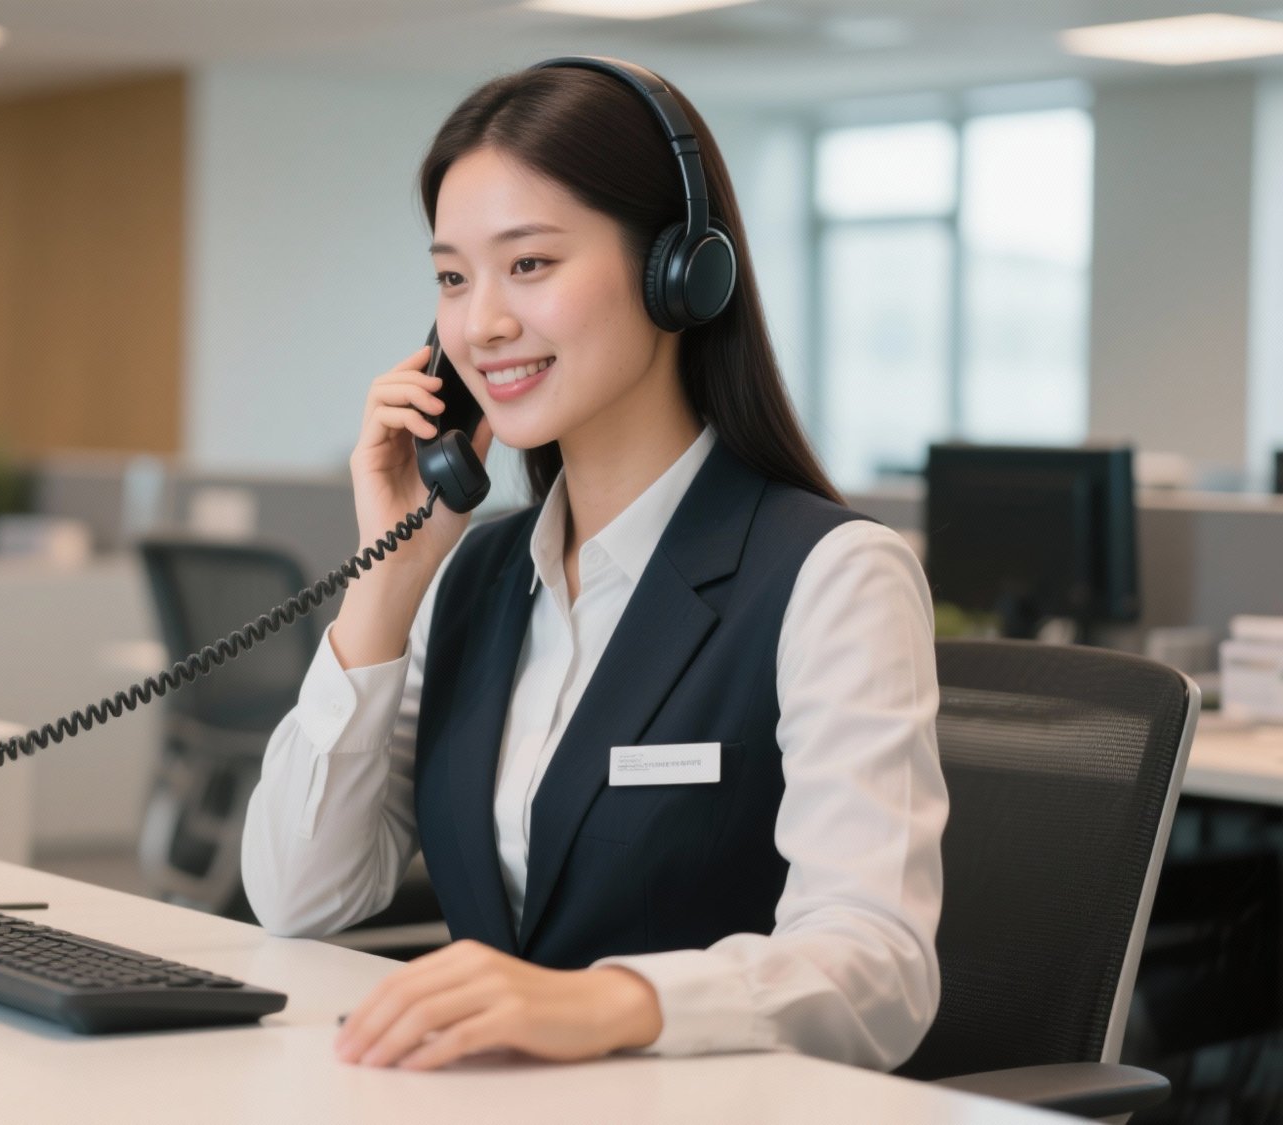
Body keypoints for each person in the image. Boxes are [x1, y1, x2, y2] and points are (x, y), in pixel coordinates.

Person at [240, 57, 948, 1073]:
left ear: (677, 270)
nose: (479, 324)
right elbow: (298, 895)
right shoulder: (477, 578)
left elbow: (876, 969)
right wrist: (384, 583)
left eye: (528, 265)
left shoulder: (830, 577)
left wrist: (612, 1003)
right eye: (451, 277)